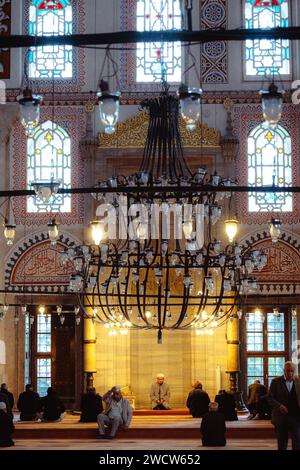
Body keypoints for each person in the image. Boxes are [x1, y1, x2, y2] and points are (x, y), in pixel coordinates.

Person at [268, 361, 300, 450]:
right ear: (284, 370)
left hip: (296, 417)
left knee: (297, 442)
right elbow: (269, 398)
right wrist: (279, 406)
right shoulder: (275, 381)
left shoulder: (298, 381)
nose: (290, 373)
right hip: (280, 417)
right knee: (282, 443)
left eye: (292, 371)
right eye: (288, 371)